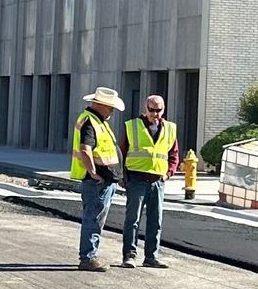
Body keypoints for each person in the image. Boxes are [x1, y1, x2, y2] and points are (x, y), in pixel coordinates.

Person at [69, 88, 125, 269]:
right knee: (93, 219)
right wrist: (93, 172)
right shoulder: (90, 122)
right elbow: (85, 149)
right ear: (101, 105)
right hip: (96, 182)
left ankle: (90, 255)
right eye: (110, 107)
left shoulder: (98, 121)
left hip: (103, 180)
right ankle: (88, 257)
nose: (112, 111)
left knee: (95, 219)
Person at [121, 90, 177, 267]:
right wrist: (123, 177)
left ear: (163, 109)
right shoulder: (132, 126)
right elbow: (121, 152)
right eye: (152, 110)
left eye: (159, 110)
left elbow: (174, 154)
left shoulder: (169, 128)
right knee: (133, 219)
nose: (155, 114)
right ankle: (129, 255)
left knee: (155, 220)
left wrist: (168, 174)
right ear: (146, 109)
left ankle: (151, 256)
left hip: (157, 181)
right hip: (136, 179)